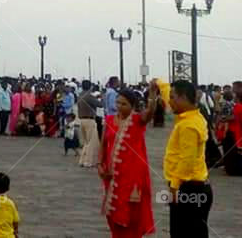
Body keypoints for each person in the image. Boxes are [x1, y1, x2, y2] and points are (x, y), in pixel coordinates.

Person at [98, 86, 158, 237]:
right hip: (112, 176)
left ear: (132, 106)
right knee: (112, 213)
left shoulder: (138, 120)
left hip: (132, 177)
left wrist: (152, 96)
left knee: (131, 216)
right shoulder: (109, 120)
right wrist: (100, 165)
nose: (119, 106)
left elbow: (150, 113)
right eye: (117, 103)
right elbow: (103, 144)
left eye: (124, 104)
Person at [164, 80, 213, 237]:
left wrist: (174, 187)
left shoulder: (188, 126)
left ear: (183, 97)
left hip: (189, 188)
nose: (169, 101)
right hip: (197, 187)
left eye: (172, 98)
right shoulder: (195, 117)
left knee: (183, 233)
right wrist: (158, 85)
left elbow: (187, 160)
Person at [77, 80, 102, 168]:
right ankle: (88, 162)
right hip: (90, 120)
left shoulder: (80, 95)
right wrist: (101, 97)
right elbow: (100, 105)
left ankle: (82, 161)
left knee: (86, 142)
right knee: (92, 142)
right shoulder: (89, 96)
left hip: (82, 120)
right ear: (90, 87)